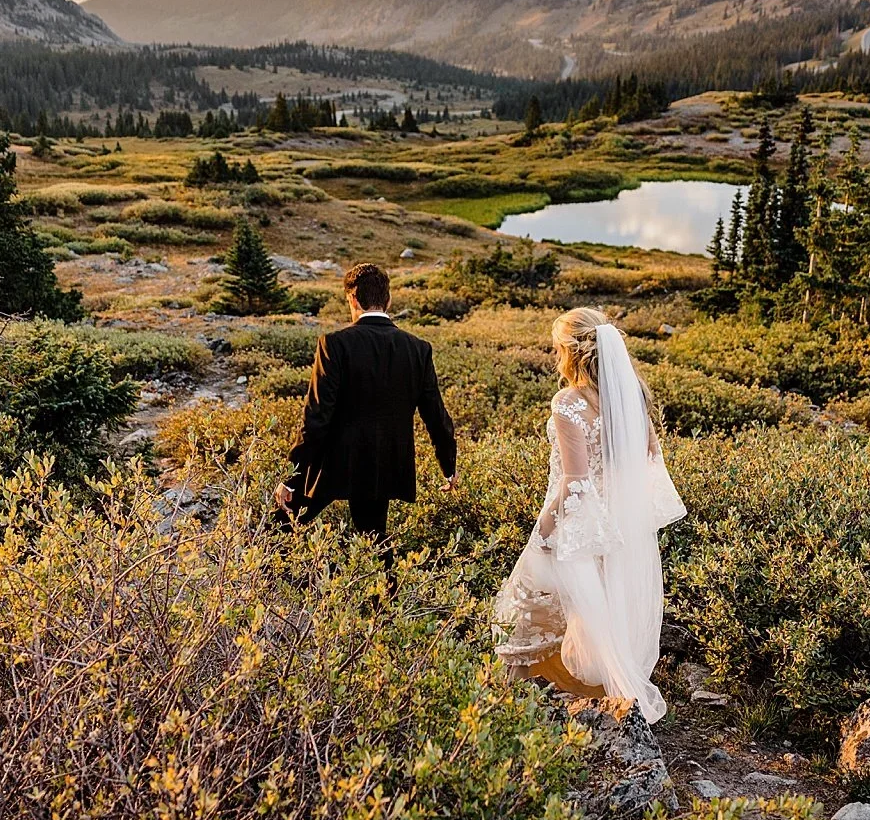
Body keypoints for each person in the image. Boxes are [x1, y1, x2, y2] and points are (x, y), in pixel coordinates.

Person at [493, 307, 686, 722]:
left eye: (556, 347)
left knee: (532, 599)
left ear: (570, 351)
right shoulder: (629, 393)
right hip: (616, 520)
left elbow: (574, 480)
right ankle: (593, 690)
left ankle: (531, 700)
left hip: (577, 520)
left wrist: (544, 528)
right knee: (597, 604)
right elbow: (650, 456)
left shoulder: (568, 402)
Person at [276, 263, 457, 541]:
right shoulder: (418, 348)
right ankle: (388, 586)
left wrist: (292, 475)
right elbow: (436, 416)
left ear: (352, 298)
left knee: (279, 527)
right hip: (382, 464)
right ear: (389, 300)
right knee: (374, 542)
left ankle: (271, 581)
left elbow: (316, 418)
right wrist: (449, 467)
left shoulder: (334, 344)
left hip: (332, 462)